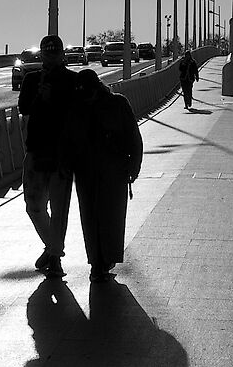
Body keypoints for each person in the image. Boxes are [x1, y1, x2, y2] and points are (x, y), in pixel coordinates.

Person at [68, 68, 144, 275]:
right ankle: (97, 262)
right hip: (87, 170)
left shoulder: (117, 103)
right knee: (92, 215)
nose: (88, 98)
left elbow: (133, 137)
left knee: (110, 215)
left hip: (113, 169)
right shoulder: (78, 105)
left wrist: (134, 167)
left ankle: (105, 259)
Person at [17, 34, 76, 275]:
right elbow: (23, 107)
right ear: (42, 54)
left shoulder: (72, 80)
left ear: (62, 54)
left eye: (55, 53)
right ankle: (53, 249)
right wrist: (39, 97)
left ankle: (54, 257)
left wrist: (54, 100)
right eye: (47, 53)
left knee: (59, 208)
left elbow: (76, 112)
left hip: (62, 154)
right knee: (34, 205)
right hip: (36, 150)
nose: (51, 57)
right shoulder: (31, 80)